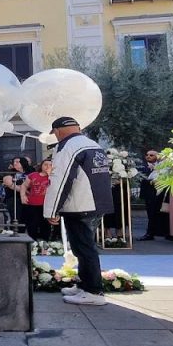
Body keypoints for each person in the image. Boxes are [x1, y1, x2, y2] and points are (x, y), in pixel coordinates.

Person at [44, 117, 113, 306]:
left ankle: (93, 292)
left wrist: (51, 210)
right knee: (83, 247)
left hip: (80, 205)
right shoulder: (92, 144)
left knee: (84, 248)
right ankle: (85, 286)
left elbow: (61, 180)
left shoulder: (68, 147)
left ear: (57, 131)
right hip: (95, 203)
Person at [21, 158, 56, 243]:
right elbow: (24, 186)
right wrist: (23, 196)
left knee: (46, 225)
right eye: (45, 164)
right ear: (41, 166)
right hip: (32, 204)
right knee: (32, 225)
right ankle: (32, 243)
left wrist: (50, 175)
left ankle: (45, 243)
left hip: (47, 205)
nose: (47, 166)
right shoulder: (33, 175)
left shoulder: (55, 176)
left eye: (50, 165)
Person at [137, 150, 170, 240]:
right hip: (149, 192)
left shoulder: (163, 165)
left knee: (164, 213)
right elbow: (141, 175)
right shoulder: (143, 165)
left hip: (161, 192)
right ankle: (150, 233)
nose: (148, 156)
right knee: (151, 213)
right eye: (147, 155)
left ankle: (165, 232)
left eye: (151, 155)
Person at [2, 157, 33, 226]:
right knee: (16, 217)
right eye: (14, 162)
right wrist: (23, 190)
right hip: (14, 197)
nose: (15, 163)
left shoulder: (31, 171)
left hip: (30, 198)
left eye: (18, 162)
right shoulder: (10, 171)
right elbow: (8, 183)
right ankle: (16, 231)